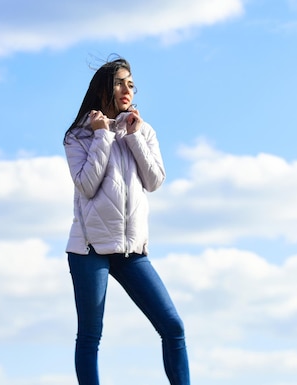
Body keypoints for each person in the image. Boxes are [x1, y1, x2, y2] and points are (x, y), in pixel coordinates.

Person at [62, 57, 190, 385]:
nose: (127, 89)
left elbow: (154, 180)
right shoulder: (78, 136)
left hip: (132, 251)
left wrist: (133, 137)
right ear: (104, 88)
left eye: (131, 84)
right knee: (91, 334)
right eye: (120, 82)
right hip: (90, 249)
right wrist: (102, 136)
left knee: (172, 326)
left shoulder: (143, 130)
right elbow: (87, 185)